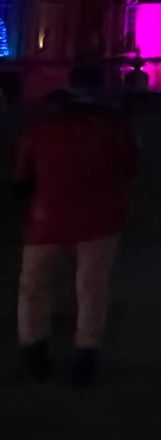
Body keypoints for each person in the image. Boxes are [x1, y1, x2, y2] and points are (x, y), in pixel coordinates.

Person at [13, 64, 139, 387]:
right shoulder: (116, 126)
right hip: (101, 217)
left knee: (34, 287)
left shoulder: (42, 126)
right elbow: (129, 169)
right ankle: (86, 352)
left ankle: (34, 347)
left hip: (47, 218)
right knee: (91, 289)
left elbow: (22, 176)